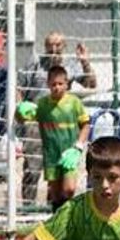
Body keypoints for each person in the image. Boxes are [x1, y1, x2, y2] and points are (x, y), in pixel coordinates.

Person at [18, 32, 98, 205]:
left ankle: (53, 207)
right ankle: (28, 207)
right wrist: (21, 109)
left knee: (60, 169)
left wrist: (85, 62)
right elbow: (19, 88)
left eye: (58, 45)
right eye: (50, 45)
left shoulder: (70, 65)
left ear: (64, 46)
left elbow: (91, 84)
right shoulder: (36, 64)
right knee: (32, 168)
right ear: (45, 46)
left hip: (62, 126)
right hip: (37, 123)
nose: (53, 49)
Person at [14, 65, 89, 211]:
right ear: (48, 84)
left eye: (60, 84)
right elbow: (25, 117)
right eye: (53, 84)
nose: (57, 87)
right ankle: (57, 217)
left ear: (67, 84)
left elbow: (85, 125)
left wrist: (78, 147)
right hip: (51, 155)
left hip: (69, 153)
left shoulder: (74, 103)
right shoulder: (43, 104)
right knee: (55, 193)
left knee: (69, 189)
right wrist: (20, 110)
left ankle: (69, 214)